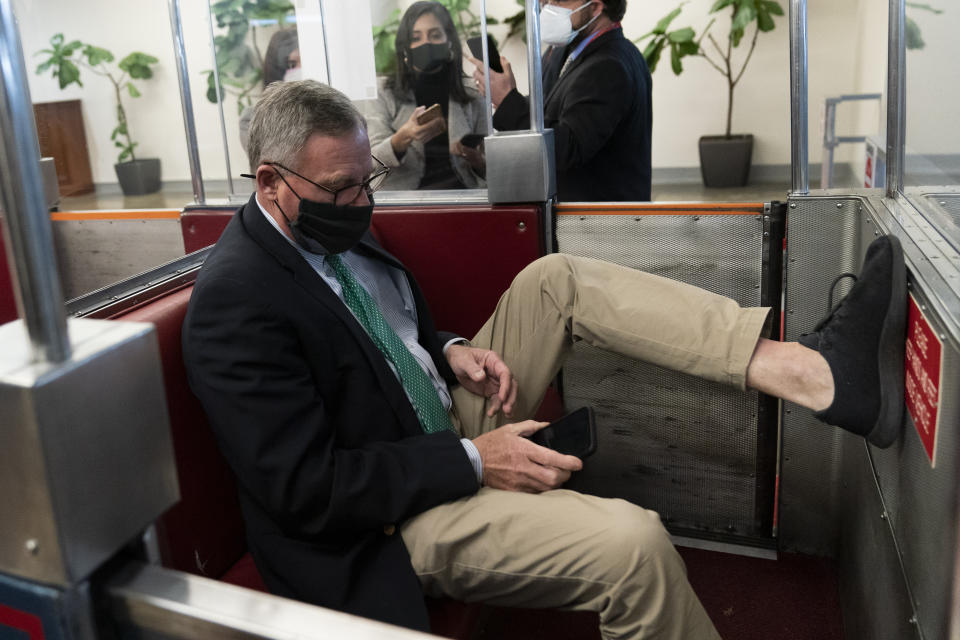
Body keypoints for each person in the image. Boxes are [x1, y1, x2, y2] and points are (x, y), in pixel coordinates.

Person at [183, 80, 908, 639]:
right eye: (340, 188)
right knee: (633, 547)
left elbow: (372, 334)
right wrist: (473, 461)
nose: (359, 200)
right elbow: (307, 489)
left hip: (434, 418)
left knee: (553, 279)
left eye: (364, 180)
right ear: (269, 182)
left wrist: (451, 349)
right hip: (383, 517)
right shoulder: (235, 305)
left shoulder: (324, 226)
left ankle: (809, 372)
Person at [469, 0, 651, 201]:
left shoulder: (609, 65)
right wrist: (507, 95)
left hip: (597, 221)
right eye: (545, 1)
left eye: (558, 0)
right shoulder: (566, 51)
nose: (547, 7)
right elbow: (551, 110)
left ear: (595, 7)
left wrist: (507, 101)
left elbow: (567, 150)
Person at [360, 1, 487, 190]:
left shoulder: (472, 91)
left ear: (449, 41)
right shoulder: (383, 91)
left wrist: (476, 160)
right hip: (403, 203)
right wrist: (402, 137)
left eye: (435, 35)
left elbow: (493, 169)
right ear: (405, 46)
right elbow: (369, 163)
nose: (425, 43)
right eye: (416, 37)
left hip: (462, 197)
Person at [239, 29, 301, 153]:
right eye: (292, 64)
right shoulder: (252, 119)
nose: (300, 70)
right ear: (277, 69)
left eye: (304, 62)